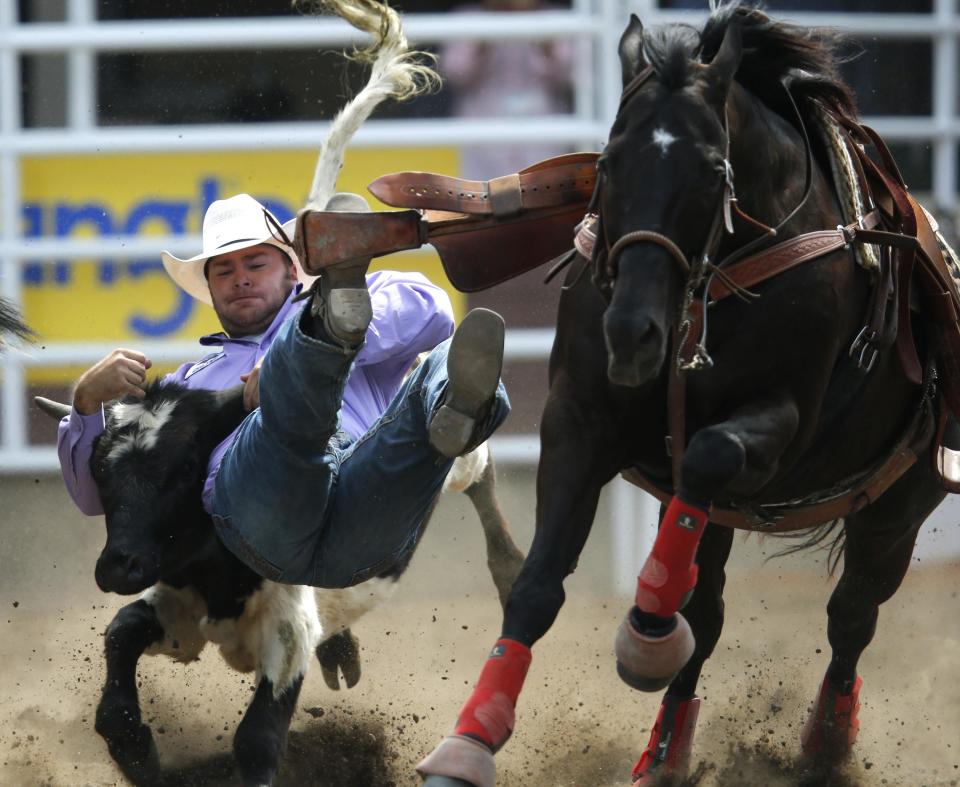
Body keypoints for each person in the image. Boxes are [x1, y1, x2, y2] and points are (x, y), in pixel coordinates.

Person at [58, 192, 510, 588]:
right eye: (224, 272)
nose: (240, 279)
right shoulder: (186, 383)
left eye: (256, 264)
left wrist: (344, 333)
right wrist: (85, 404)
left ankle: (453, 402)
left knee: (445, 358)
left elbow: (433, 313)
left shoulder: (350, 300)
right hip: (264, 521)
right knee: (283, 402)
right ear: (210, 291)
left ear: (293, 273)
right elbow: (95, 497)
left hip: (364, 513)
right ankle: (316, 353)